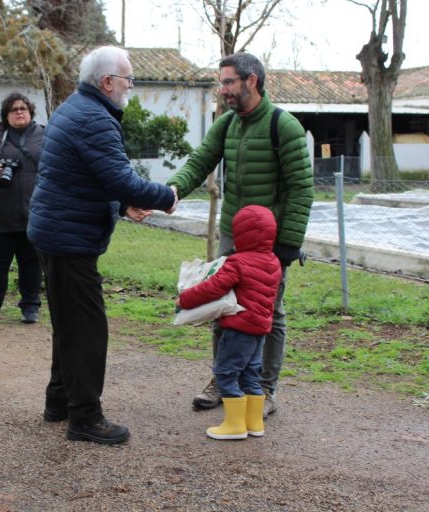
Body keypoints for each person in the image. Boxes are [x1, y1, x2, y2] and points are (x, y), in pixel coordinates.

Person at [27, 46, 178, 445]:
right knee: (86, 330)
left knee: (68, 325)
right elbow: (120, 179)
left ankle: (59, 402)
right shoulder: (94, 117)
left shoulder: (73, 107)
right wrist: (166, 195)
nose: (130, 87)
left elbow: (85, 176)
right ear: (108, 82)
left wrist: (121, 205)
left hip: (56, 231)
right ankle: (85, 419)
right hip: (68, 237)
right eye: (128, 80)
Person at [167, 52, 314, 417]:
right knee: (223, 306)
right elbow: (200, 161)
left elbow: (301, 190)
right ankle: (224, 379)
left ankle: (263, 390)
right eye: (222, 83)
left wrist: (287, 246)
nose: (223, 90)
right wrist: (170, 192)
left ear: (252, 81)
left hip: (271, 243)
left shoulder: (286, 127)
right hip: (233, 236)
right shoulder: (228, 124)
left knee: (270, 312)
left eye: (229, 82)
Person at [176, 205, 282, 440]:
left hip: (238, 329)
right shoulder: (274, 262)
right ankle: (254, 423)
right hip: (259, 331)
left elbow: (213, 288)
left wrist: (185, 299)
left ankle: (234, 426)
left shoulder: (237, 262)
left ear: (240, 234)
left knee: (226, 372)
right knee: (250, 375)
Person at [0, 93, 44, 327]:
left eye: (23, 108)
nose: (19, 112)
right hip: (0, 214)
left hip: (34, 212)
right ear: (6, 115)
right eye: (13, 110)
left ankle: (31, 306)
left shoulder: (45, 135)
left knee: (31, 263)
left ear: (31, 111)